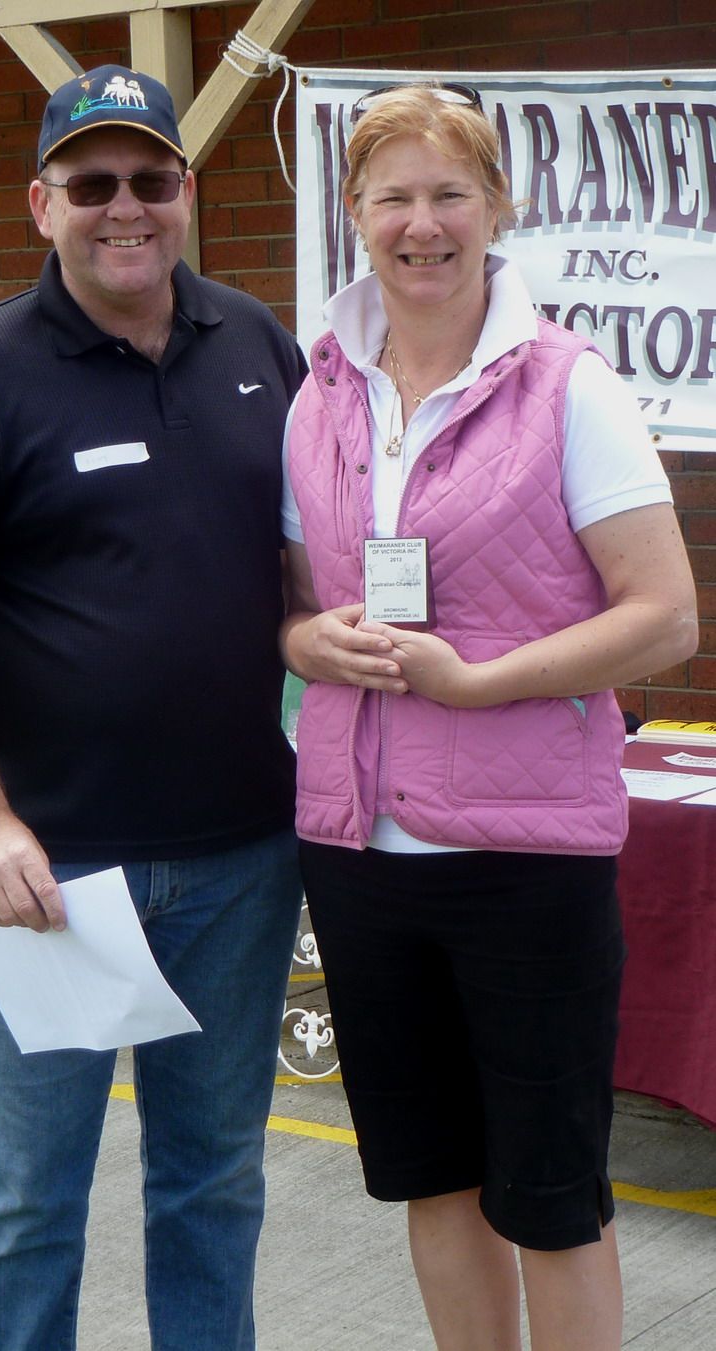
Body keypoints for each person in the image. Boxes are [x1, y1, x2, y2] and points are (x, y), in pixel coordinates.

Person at [0, 64, 306, 1351]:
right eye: (92, 184)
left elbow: (300, 567)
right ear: (42, 204)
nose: (124, 207)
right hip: (52, 875)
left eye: (150, 178)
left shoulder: (260, 347)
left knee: (215, 1181)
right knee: (27, 1199)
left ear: (187, 191)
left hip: (243, 863)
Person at [280, 83, 698, 1351]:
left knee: (553, 1194)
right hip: (361, 853)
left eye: (450, 194)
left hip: (524, 860)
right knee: (431, 1176)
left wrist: (478, 681)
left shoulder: (570, 387)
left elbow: (666, 616)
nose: (423, 224)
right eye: (394, 197)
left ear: (498, 208)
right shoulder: (320, 393)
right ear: (356, 214)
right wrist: (305, 641)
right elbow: (294, 604)